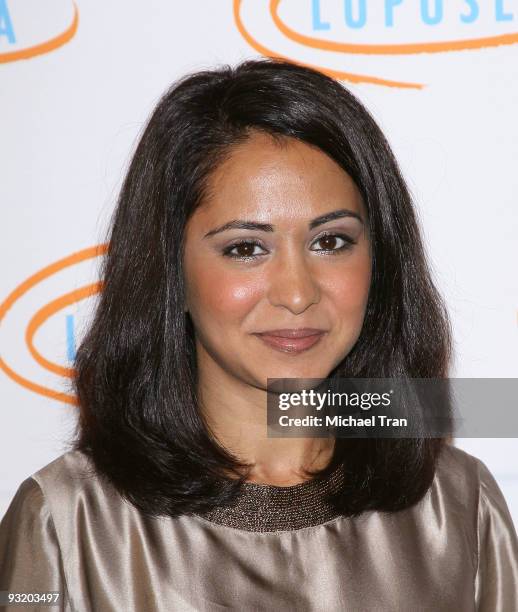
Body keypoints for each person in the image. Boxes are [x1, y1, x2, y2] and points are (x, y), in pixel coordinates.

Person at [1, 58, 517, 611]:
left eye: (331, 241)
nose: (297, 294)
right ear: (168, 267)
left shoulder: (460, 508)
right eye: (245, 248)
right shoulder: (65, 523)